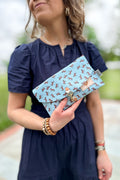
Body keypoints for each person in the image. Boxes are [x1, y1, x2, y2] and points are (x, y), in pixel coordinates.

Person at [7, 0, 112, 179]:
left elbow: (94, 104)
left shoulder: (87, 51)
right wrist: (48, 125)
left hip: (82, 147)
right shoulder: (25, 55)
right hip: (41, 150)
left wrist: (101, 151)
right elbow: (14, 109)